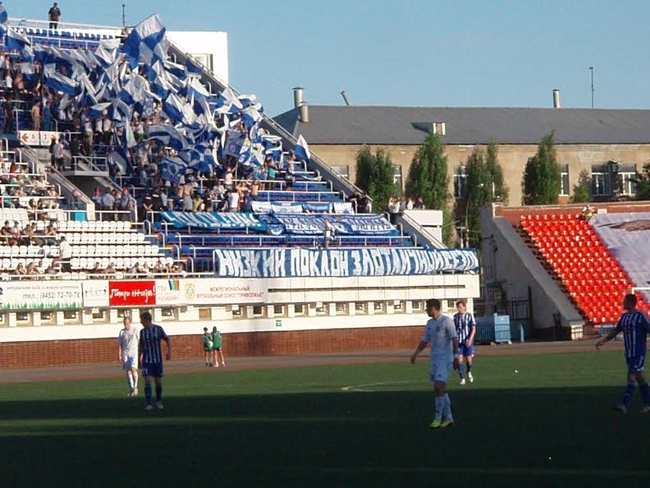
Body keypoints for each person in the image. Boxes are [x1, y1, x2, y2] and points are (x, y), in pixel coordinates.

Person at [410, 298, 460, 428]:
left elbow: (454, 339)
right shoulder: (430, 323)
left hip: (446, 359)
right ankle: (449, 418)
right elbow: (425, 340)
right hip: (434, 359)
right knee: (439, 389)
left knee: (439, 385)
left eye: (427, 308)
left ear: (433, 308)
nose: (426, 310)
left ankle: (437, 418)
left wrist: (456, 357)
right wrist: (416, 353)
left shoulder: (447, 321)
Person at [596, 293, 650, 413]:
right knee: (640, 378)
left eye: (624, 301)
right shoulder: (624, 317)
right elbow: (616, 331)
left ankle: (623, 405)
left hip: (638, 352)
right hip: (629, 353)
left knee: (631, 376)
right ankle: (648, 403)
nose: (622, 303)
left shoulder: (640, 316)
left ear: (630, 302)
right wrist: (603, 341)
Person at [139, 311, 171, 411]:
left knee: (158, 382)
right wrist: (139, 358)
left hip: (157, 360)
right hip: (147, 361)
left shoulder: (158, 329)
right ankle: (149, 404)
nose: (141, 322)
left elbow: (167, 339)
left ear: (147, 320)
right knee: (147, 381)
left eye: (142, 320)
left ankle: (158, 401)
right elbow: (141, 346)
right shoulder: (142, 332)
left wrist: (169, 351)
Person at [453, 300, 476, 385]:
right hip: (459, 342)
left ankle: (469, 371)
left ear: (464, 307)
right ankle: (462, 378)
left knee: (469, 360)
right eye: (458, 307)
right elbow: (454, 329)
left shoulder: (469, 316)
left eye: (460, 307)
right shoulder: (455, 317)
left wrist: (470, 339)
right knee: (459, 360)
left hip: (468, 341)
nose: (459, 309)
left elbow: (473, 329)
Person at [118, 316, 140, 397]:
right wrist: (119, 354)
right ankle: (131, 388)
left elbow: (139, 340)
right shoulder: (122, 332)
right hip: (126, 352)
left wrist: (140, 350)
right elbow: (120, 344)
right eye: (125, 324)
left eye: (127, 323)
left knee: (133, 368)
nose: (126, 325)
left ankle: (135, 387)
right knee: (128, 370)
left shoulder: (135, 330)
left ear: (130, 322)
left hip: (134, 352)